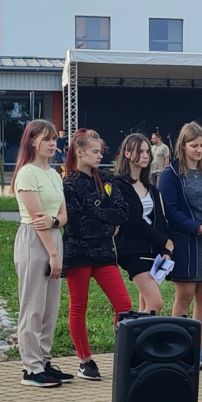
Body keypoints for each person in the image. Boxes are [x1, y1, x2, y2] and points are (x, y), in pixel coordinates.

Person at [62, 129, 132, 381]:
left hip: (104, 253)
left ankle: (123, 355)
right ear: (79, 152)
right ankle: (85, 360)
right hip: (78, 253)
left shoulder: (106, 178)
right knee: (78, 306)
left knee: (124, 305)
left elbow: (123, 212)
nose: (100, 155)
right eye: (94, 151)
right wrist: (106, 220)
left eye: (101, 150)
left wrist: (98, 212)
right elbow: (77, 222)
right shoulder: (69, 183)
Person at [159, 122, 202, 369]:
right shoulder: (171, 174)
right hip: (186, 240)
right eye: (194, 145)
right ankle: (178, 348)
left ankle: (198, 348)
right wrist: (196, 228)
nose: (199, 150)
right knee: (185, 294)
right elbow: (171, 211)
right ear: (183, 146)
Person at [11, 119, 69, 388]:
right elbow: (37, 217)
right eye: (46, 139)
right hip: (34, 241)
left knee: (49, 307)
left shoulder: (55, 174)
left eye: (54, 139)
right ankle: (31, 368)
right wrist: (52, 253)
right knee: (32, 305)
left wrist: (56, 224)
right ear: (32, 140)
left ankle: (44, 360)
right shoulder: (27, 173)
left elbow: (62, 215)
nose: (52, 144)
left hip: (53, 237)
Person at [112, 134, 172, 315]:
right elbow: (133, 221)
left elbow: (160, 219)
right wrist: (163, 241)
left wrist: (165, 249)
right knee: (155, 304)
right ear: (128, 154)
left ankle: (137, 342)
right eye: (141, 151)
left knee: (146, 307)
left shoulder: (151, 188)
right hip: (132, 250)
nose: (146, 155)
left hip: (152, 250)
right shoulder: (118, 185)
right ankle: (129, 337)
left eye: (147, 151)